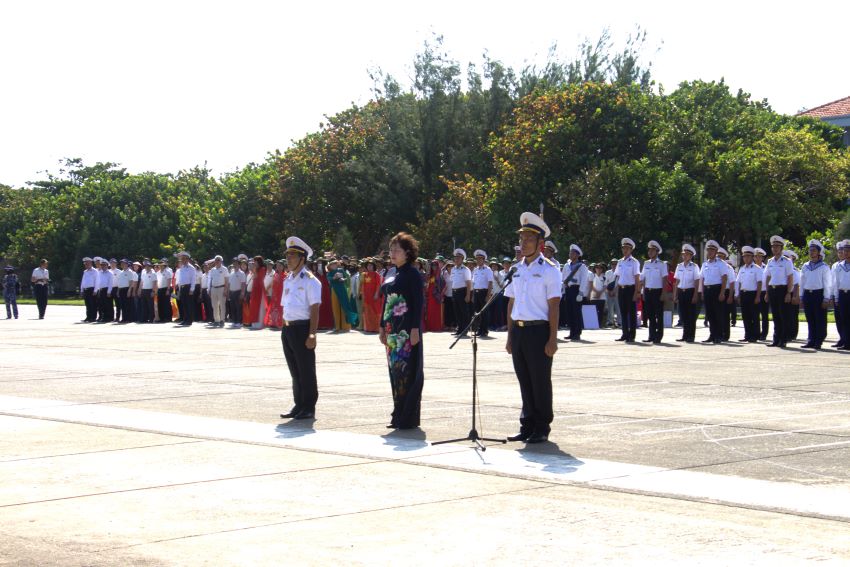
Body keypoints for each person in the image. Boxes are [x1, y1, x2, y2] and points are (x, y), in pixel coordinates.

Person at [504, 211, 561, 444]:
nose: (523, 243)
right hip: (518, 330)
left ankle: (541, 425)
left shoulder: (550, 270)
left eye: (528, 239)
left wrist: (553, 338)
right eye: (521, 239)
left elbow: (554, 306)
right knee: (524, 379)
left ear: (541, 243)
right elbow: (511, 302)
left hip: (539, 331)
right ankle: (526, 424)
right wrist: (509, 336)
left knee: (539, 380)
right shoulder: (516, 269)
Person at [379, 232, 425, 429]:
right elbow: (386, 301)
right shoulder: (391, 273)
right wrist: (381, 326)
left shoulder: (413, 274)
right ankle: (397, 413)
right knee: (395, 373)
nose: (393, 253)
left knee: (407, 373)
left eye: (397, 250)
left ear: (408, 253)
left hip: (407, 332)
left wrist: (415, 328)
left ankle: (408, 417)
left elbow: (418, 303)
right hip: (392, 331)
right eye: (391, 250)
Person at [279, 236, 322, 420]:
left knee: (306, 370)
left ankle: (309, 406)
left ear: (302, 259)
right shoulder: (288, 280)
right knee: (294, 370)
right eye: (287, 256)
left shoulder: (311, 281)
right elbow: (285, 306)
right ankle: (298, 404)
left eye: (293, 256)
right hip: (288, 329)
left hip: (303, 329)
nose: (288, 259)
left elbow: (314, 309)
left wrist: (312, 333)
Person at [799, 240, 831, 350]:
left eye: (814, 251)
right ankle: (811, 340)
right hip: (808, 294)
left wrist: (826, 298)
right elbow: (802, 282)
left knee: (819, 318)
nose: (811, 252)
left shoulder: (824, 267)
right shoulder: (805, 266)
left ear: (818, 252)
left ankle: (818, 340)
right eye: (810, 250)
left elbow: (827, 283)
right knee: (810, 318)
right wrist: (801, 296)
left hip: (819, 294)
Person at [764, 235, 795, 348]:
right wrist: (767, 292)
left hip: (783, 289)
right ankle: (776, 339)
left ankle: (783, 339)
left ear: (781, 248)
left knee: (783, 316)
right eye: (773, 246)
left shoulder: (787, 261)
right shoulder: (770, 261)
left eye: (777, 246)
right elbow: (768, 277)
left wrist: (788, 292)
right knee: (775, 316)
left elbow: (790, 278)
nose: (775, 248)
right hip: (773, 290)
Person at [614, 239, 640, 343]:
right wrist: (617, 289)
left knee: (631, 313)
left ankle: (632, 335)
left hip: (630, 289)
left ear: (631, 250)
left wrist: (636, 292)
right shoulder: (620, 262)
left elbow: (637, 277)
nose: (625, 250)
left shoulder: (634, 262)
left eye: (627, 248)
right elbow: (618, 276)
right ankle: (624, 334)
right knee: (623, 313)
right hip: (621, 289)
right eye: (623, 248)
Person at [673, 244, 700, 343]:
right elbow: (677, 281)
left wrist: (695, 295)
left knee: (690, 316)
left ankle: (691, 336)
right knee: (683, 315)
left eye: (687, 254)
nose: (684, 256)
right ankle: (684, 335)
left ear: (691, 256)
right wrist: (675, 294)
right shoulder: (679, 266)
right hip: (681, 291)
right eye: (684, 254)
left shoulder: (694, 266)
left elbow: (697, 281)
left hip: (690, 291)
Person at [640, 241, 666, 344]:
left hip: (658, 291)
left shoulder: (662, 264)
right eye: (649, 250)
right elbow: (643, 279)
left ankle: (658, 336)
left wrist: (664, 293)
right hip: (648, 291)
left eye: (652, 250)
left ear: (657, 252)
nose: (650, 252)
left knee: (659, 315)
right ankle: (651, 335)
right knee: (650, 315)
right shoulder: (646, 263)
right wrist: (643, 292)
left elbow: (664, 279)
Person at [562, 244, 590, 341]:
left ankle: (577, 333)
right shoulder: (566, 265)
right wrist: (563, 291)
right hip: (569, 289)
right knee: (569, 312)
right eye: (570, 252)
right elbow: (564, 278)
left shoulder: (582, 266)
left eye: (573, 253)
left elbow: (584, 280)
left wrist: (581, 293)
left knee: (576, 312)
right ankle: (571, 332)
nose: (570, 254)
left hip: (576, 289)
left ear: (578, 255)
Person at [735, 246, 763, 343]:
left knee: (754, 316)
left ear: (752, 257)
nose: (746, 258)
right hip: (744, 294)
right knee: (745, 316)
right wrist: (737, 294)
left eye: (748, 256)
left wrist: (758, 296)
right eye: (744, 256)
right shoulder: (742, 269)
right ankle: (747, 335)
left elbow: (759, 283)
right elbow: (738, 282)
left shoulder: (757, 268)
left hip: (753, 294)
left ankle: (755, 335)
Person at [327, 258, 358, 331]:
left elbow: (347, 278)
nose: (334, 265)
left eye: (335, 264)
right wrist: (334, 278)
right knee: (335, 308)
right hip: (334, 290)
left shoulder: (341, 270)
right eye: (332, 264)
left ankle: (346, 326)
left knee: (344, 306)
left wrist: (343, 279)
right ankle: (337, 326)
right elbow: (329, 279)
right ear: (330, 266)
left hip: (342, 289)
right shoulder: (329, 273)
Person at [471, 249, 494, 337]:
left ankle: (484, 330)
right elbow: (474, 283)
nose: (478, 260)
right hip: (476, 293)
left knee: (484, 313)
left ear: (484, 260)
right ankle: (479, 330)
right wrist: (473, 295)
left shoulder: (488, 269)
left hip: (484, 292)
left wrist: (488, 295)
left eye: (480, 259)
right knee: (477, 312)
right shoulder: (475, 270)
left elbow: (490, 282)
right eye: (477, 259)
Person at [450, 249, 472, 336]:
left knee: (464, 312)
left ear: (462, 259)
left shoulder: (465, 269)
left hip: (462, 291)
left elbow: (468, 283)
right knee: (457, 312)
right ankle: (459, 329)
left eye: (459, 258)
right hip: (455, 292)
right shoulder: (453, 269)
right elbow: (453, 281)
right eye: (456, 258)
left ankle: (465, 329)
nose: (457, 259)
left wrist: (468, 295)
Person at [832, 240, 850, 350]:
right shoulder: (839, 266)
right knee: (844, 319)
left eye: (848, 251)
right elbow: (836, 283)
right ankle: (846, 342)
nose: (846, 253)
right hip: (843, 294)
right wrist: (836, 297)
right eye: (845, 251)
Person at [174, 251, 197, 326]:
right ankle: (185, 319)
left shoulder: (191, 268)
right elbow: (181, 278)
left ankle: (189, 320)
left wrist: (192, 289)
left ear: (187, 259)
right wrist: (179, 287)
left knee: (189, 304)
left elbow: (193, 279)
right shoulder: (182, 267)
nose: (182, 260)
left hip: (188, 287)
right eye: (182, 259)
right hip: (182, 287)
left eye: (184, 259)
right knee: (183, 304)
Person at [784, 249, 802, 341]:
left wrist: (795, 296)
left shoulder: (794, 271)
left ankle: (792, 334)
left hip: (792, 293)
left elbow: (796, 284)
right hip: (783, 292)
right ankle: (785, 333)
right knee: (785, 315)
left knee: (792, 315)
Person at [753, 247, 770, 341]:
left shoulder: (766, 268)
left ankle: (764, 334)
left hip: (764, 292)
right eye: (755, 256)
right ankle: (756, 333)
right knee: (755, 314)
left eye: (759, 256)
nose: (757, 258)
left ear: (763, 258)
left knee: (764, 315)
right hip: (754, 292)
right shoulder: (752, 267)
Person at [424, 258, 445, 333]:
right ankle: (430, 326)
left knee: (436, 312)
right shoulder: (430, 274)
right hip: (429, 296)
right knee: (430, 311)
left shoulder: (440, 275)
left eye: (435, 265)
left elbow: (445, 286)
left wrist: (441, 295)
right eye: (432, 265)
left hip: (436, 297)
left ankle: (436, 327)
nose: (434, 267)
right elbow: (427, 284)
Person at [248, 256, 268, 330]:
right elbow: (254, 278)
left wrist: (253, 269)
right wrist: (253, 269)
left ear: (259, 262)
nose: (254, 263)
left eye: (255, 261)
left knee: (260, 306)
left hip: (260, 289)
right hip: (255, 288)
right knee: (253, 305)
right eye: (254, 261)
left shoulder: (262, 269)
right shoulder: (255, 269)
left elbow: (258, 277)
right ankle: (254, 323)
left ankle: (260, 323)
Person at [264, 260, 285, 329]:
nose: (278, 267)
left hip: (282, 295)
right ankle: (273, 322)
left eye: (280, 266)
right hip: (275, 294)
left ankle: (280, 323)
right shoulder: (275, 275)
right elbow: (273, 283)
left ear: (283, 266)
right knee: (274, 309)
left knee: (280, 309)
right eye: (277, 266)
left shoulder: (286, 275)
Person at [227, 257, 247, 328]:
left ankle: (239, 321)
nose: (235, 264)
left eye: (236, 263)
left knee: (238, 307)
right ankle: (234, 321)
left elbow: (243, 284)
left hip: (238, 292)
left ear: (239, 264)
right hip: (232, 292)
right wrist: (228, 292)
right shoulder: (231, 273)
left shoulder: (242, 273)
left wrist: (242, 293)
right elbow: (229, 283)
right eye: (234, 263)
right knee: (232, 307)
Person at [80, 257, 98, 322]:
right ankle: (88, 317)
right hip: (86, 289)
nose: (86, 265)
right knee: (87, 304)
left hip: (92, 289)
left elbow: (97, 281)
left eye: (87, 264)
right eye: (85, 264)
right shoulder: (85, 272)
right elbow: (83, 281)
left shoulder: (95, 271)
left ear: (90, 263)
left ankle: (93, 317)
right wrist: (82, 290)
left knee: (93, 304)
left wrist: (95, 290)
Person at [95, 258, 114, 323]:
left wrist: (109, 292)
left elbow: (110, 283)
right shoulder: (99, 273)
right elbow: (98, 282)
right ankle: (103, 317)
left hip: (107, 290)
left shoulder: (110, 273)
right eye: (102, 265)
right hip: (101, 290)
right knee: (101, 304)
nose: (103, 266)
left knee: (108, 305)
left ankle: (109, 317)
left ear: (107, 265)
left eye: (104, 265)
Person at [589, 263, 607, 327]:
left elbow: (605, 286)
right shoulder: (592, 276)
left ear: (602, 269)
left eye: (600, 268)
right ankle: (594, 324)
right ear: (595, 269)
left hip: (602, 297)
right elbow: (591, 285)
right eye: (597, 268)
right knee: (594, 311)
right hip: (593, 296)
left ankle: (600, 324)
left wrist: (600, 293)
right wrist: (596, 292)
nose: (598, 269)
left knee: (601, 311)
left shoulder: (604, 277)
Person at [604, 259, 620, 328]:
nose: (614, 265)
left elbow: (619, 283)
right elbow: (605, 283)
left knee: (618, 307)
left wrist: (614, 291)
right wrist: (609, 291)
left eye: (615, 264)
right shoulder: (607, 272)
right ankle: (610, 322)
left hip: (617, 291)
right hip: (609, 291)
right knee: (610, 308)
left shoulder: (620, 272)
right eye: (612, 264)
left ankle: (619, 322)